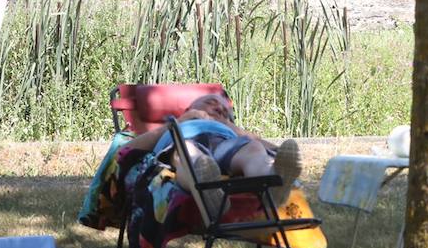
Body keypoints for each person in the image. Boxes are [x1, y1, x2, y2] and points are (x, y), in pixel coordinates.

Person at [123, 93, 302, 218]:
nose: (220, 108)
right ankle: (209, 190)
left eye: (226, 111)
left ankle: (271, 181)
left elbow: (276, 150)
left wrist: (230, 126)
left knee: (253, 148)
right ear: (189, 108)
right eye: (211, 102)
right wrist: (183, 120)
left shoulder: (228, 128)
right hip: (184, 140)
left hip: (223, 143)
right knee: (187, 154)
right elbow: (127, 149)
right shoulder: (179, 123)